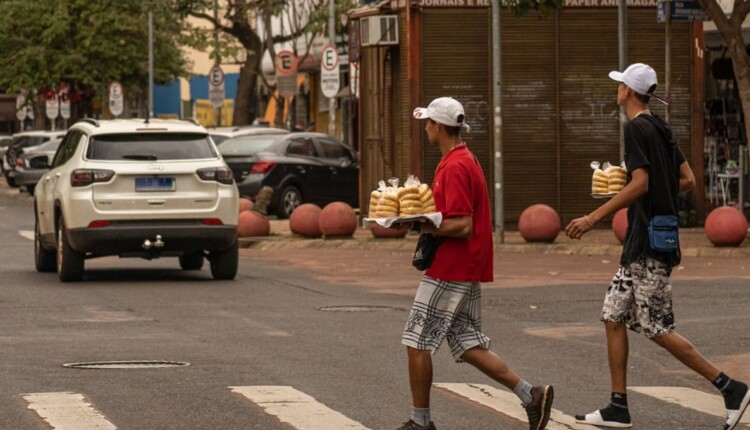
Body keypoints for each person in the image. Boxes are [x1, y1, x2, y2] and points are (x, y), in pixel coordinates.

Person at [565, 63, 750, 429]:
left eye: (620, 85)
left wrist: (593, 217)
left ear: (629, 93)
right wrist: (653, 194)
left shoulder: (636, 128)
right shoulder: (661, 126)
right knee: (614, 315)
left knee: (658, 328)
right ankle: (618, 406)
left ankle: (731, 388)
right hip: (644, 242)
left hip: (649, 245)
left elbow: (640, 183)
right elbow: (688, 179)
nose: (617, 90)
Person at [397, 97, 554, 430]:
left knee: (416, 341)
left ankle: (420, 421)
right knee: (466, 342)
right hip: (464, 265)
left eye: (427, 123)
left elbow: (461, 224)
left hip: (451, 266)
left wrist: (416, 223)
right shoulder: (461, 159)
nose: (425, 128)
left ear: (438, 127)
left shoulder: (455, 166)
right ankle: (531, 396)